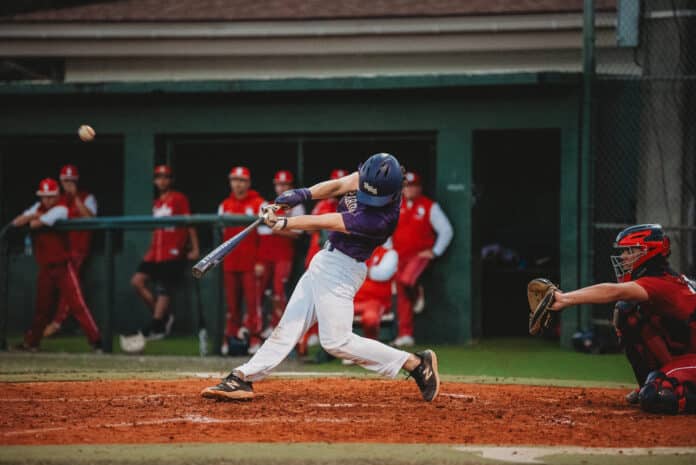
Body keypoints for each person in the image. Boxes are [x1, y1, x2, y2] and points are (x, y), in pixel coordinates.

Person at [201, 153, 441, 402]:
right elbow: (337, 186)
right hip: (326, 261)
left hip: (342, 269)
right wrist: (300, 195)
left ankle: (415, 363)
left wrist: (284, 223)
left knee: (337, 342)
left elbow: (327, 221)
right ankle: (243, 377)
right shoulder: (371, 178)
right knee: (289, 326)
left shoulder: (380, 219)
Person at [548, 224, 696, 402]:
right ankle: (650, 383)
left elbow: (614, 291)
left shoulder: (662, 283)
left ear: (649, 252)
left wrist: (563, 299)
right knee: (628, 312)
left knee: (657, 396)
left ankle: (663, 387)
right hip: (687, 354)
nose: (623, 256)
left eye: (630, 251)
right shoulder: (663, 279)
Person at [11, 178, 101, 351]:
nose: (47, 200)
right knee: (41, 308)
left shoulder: (61, 208)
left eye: (50, 196)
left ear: (57, 195)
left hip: (63, 265)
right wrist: (33, 215)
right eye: (44, 196)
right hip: (45, 266)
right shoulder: (38, 208)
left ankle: (97, 341)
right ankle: (32, 343)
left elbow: (37, 224)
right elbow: (16, 222)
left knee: (77, 304)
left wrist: (34, 218)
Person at [130, 165, 199, 340]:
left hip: (173, 250)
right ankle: (162, 319)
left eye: (166, 177)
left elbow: (189, 222)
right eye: (159, 177)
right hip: (156, 251)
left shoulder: (178, 198)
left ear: (171, 180)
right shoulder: (157, 203)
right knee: (137, 281)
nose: (162, 180)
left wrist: (195, 247)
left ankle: (155, 325)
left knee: (163, 288)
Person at [392, 171, 453, 347]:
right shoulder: (396, 205)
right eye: (406, 186)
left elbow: (446, 230)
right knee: (402, 293)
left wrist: (435, 251)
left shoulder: (429, 206)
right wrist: (389, 250)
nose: (409, 189)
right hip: (399, 256)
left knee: (406, 281)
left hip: (419, 256)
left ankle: (417, 292)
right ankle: (405, 334)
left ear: (420, 188)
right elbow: (386, 229)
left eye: (413, 186)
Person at [43, 164, 98, 337]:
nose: (68, 184)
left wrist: (75, 197)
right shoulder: (55, 200)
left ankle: (58, 323)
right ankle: (60, 324)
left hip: (78, 250)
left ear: (76, 181)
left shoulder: (87, 197)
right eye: (65, 180)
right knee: (54, 289)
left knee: (70, 289)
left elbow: (90, 219)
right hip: (59, 251)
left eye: (71, 180)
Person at [298, 168, 347, 354]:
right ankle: (308, 335)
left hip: (335, 260)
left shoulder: (351, 206)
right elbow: (309, 230)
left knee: (329, 299)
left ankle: (326, 337)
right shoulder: (323, 205)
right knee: (310, 298)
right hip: (315, 255)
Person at [218, 166, 265, 355]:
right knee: (232, 305)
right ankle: (230, 338)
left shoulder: (258, 203)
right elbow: (222, 237)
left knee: (253, 305)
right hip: (230, 263)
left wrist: (260, 260)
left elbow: (265, 237)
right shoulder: (224, 205)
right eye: (234, 180)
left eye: (242, 180)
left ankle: (254, 338)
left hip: (251, 263)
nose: (238, 184)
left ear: (248, 183)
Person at [256, 170, 305, 339]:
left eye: (285, 184)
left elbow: (297, 233)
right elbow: (261, 233)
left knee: (279, 292)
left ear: (291, 187)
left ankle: (281, 329)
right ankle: (261, 329)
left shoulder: (297, 206)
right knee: (260, 292)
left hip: (284, 255)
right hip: (265, 255)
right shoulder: (266, 205)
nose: (282, 188)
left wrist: (275, 227)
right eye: (279, 184)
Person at [354, 241, 398, 340]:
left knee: (370, 318)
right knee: (329, 312)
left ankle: (371, 348)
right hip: (351, 300)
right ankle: (328, 353)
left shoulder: (389, 253)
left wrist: (358, 271)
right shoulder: (358, 251)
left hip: (375, 302)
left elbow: (382, 274)